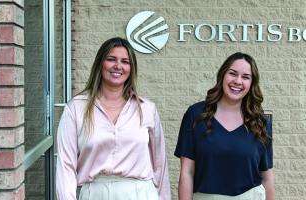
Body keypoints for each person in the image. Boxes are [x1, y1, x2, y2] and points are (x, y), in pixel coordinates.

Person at [56, 37, 171, 200]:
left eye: (125, 61)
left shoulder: (146, 108)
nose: (118, 66)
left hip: (141, 193)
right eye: (111, 59)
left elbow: (160, 164)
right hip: (95, 193)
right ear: (100, 63)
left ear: (131, 69)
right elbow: (66, 165)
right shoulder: (76, 107)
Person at [174, 52, 275, 200]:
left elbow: (267, 176)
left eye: (245, 77)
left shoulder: (260, 121)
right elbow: (186, 172)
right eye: (233, 74)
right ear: (222, 75)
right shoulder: (196, 114)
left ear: (251, 84)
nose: (238, 81)